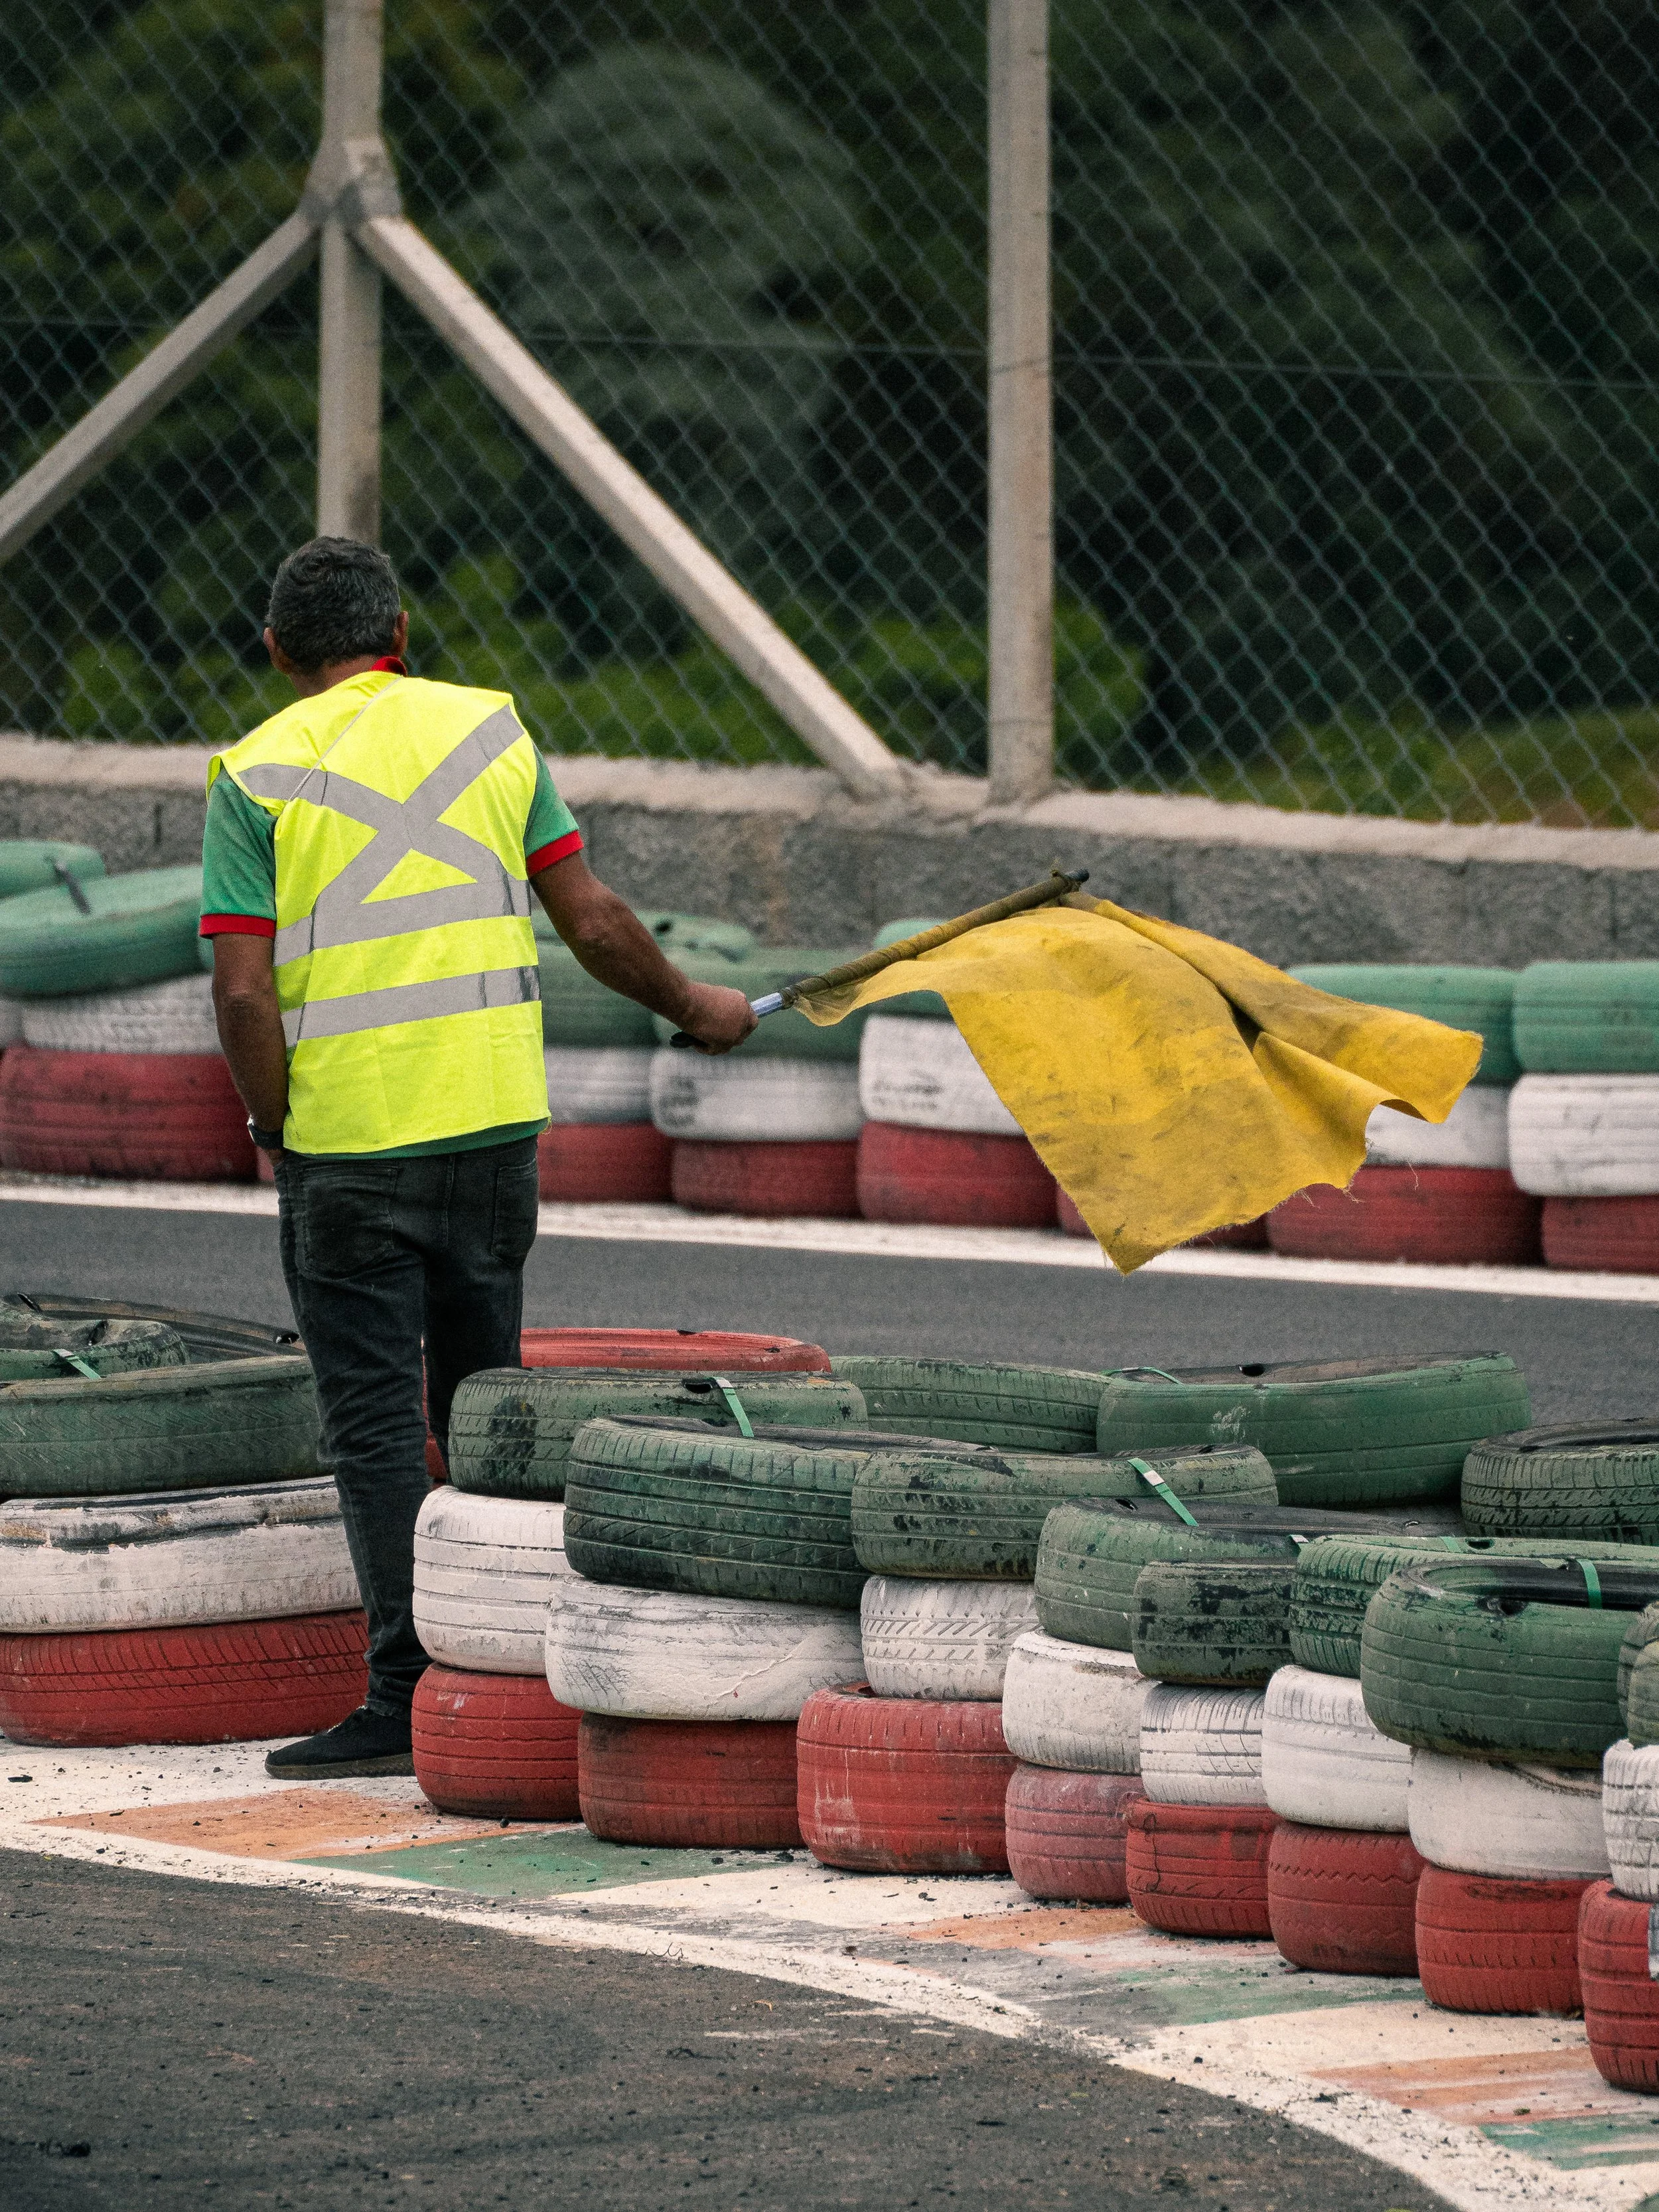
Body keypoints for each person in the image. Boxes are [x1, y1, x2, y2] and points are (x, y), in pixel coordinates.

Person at [202, 536, 756, 1777]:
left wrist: (273, 1123)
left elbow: (243, 996)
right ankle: (502, 1675)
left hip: (349, 1145)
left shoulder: (252, 774)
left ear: (280, 651)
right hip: (496, 1129)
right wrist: (697, 1008)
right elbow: (596, 922)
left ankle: (406, 1694)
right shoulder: (494, 733)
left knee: (374, 1422)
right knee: (482, 1408)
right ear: (401, 627)